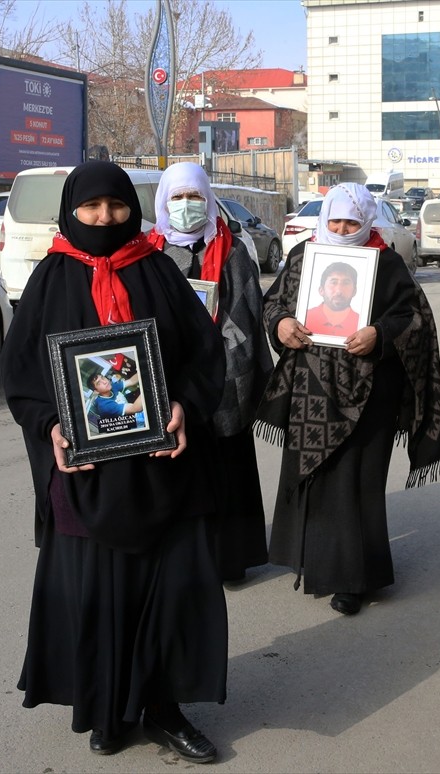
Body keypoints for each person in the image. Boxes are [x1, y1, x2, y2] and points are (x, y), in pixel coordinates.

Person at [2, 161, 228, 763]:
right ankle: (106, 710)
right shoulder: (51, 279)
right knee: (97, 593)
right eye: (92, 208)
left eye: (118, 207)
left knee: (168, 592)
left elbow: (205, 357)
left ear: (134, 207)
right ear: (71, 210)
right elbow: (21, 375)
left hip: (162, 467)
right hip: (87, 473)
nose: (105, 219)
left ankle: (166, 708)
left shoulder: (156, 270)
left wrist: (182, 404)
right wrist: (50, 425)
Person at [255, 182, 440, 616]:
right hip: (311, 390)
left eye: (352, 222)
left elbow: (414, 319)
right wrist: (281, 325)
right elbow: (274, 302)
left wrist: (379, 335)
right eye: (336, 220)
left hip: (369, 394)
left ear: (367, 222)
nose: (342, 229)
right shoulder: (304, 255)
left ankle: (353, 579)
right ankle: (312, 558)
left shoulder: (388, 263)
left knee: (355, 484)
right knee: (317, 476)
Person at [145, 161, 273, 583]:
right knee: (176, 468)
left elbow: (248, 313)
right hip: (168, 377)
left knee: (226, 467)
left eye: (195, 196)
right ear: (164, 201)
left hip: (224, 377)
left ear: (209, 199)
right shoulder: (149, 252)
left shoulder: (232, 250)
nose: (186, 205)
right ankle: (181, 558)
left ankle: (229, 558)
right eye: (177, 197)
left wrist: (223, 357)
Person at [303, 261, 361, 336]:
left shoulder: (362, 325)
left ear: (354, 291)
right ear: (321, 290)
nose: (339, 291)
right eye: (333, 282)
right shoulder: (304, 317)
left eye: (346, 283)